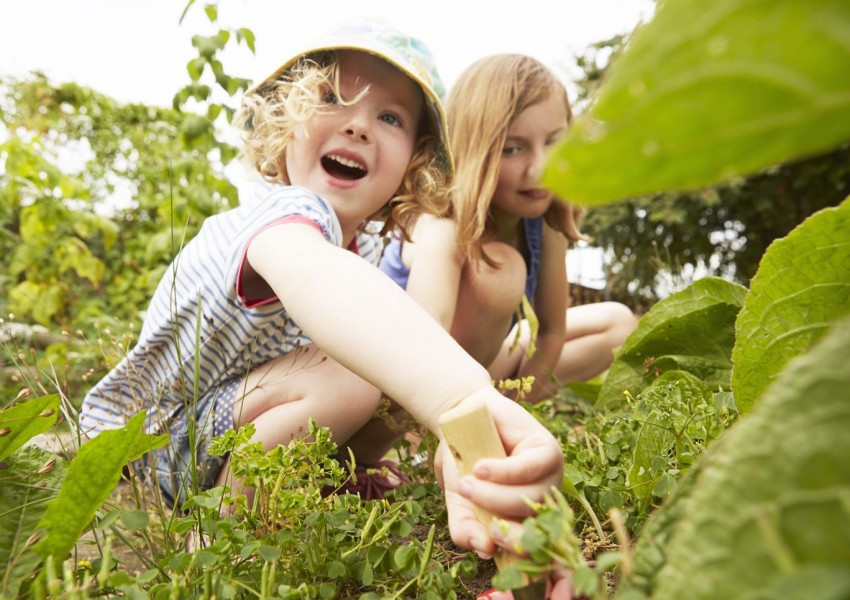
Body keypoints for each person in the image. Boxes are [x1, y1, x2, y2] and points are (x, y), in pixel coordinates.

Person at [78, 22, 563, 558]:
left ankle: (317, 485)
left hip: (212, 435)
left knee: (376, 362)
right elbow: (308, 269)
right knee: (355, 375)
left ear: (413, 164)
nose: (358, 125)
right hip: (153, 442)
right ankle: (217, 538)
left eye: (389, 117)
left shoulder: (368, 253)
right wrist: (460, 399)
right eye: (332, 97)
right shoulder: (288, 213)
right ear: (282, 124)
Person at [379, 54, 637, 404]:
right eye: (513, 149)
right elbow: (426, 346)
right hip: (395, 383)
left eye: (553, 142)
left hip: (474, 370)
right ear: (474, 153)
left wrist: (518, 407)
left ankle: (494, 411)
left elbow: (552, 332)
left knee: (618, 323)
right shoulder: (439, 226)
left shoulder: (544, 225)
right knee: (501, 269)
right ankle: (428, 432)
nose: (540, 168)